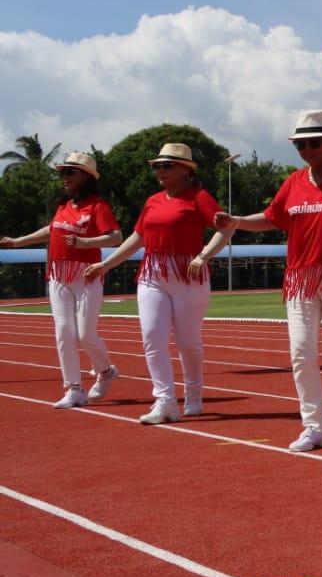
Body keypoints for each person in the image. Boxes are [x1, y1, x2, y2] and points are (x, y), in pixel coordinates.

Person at [215, 111, 322, 452]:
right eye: (300, 144)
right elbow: (272, 217)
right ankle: (315, 426)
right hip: (300, 278)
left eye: (314, 143)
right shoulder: (293, 182)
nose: (307, 149)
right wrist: (236, 221)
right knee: (301, 353)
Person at [85, 143, 233, 425]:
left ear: (186, 170)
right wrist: (106, 264)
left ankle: (193, 392)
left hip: (188, 275)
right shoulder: (152, 200)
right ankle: (165, 400)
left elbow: (226, 228)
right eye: (157, 166)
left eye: (167, 166)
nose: (160, 171)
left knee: (188, 342)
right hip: (152, 274)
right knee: (152, 337)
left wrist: (203, 256)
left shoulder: (199, 197)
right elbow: (137, 238)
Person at [0, 152, 122, 407]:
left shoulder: (98, 206)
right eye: (62, 172)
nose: (64, 177)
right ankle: (74, 387)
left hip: (87, 274)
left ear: (86, 176)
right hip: (58, 274)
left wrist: (84, 242)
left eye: (70, 172)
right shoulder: (64, 206)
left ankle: (105, 371)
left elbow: (115, 237)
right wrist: (18, 241)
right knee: (64, 331)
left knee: (86, 335)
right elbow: (51, 230)